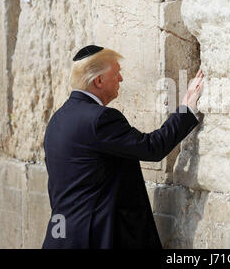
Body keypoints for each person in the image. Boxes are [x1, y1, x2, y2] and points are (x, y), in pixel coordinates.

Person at [42, 45, 204, 249]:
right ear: (99, 80)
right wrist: (187, 107)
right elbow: (151, 148)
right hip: (96, 238)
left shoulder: (57, 120)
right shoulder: (100, 119)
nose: (121, 79)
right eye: (116, 73)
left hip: (63, 235)